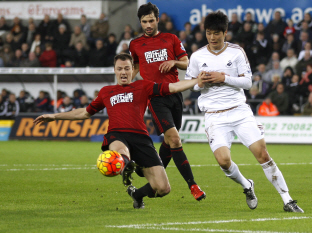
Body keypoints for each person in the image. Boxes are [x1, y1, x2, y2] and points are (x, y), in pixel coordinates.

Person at [34, 53, 199, 209]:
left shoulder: (143, 86)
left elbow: (173, 87)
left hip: (141, 138)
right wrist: (55, 116)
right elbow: (84, 112)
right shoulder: (106, 91)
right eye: (120, 69)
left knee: (163, 188)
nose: (123, 72)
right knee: (120, 151)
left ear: (132, 70)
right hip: (117, 134)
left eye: (127, 68)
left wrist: (197, 80)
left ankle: (137, 194)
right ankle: (125, 164)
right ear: (114, 70)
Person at [185, 11, 304, 212]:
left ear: (225, 32)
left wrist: (223, 77)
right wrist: (200, 81)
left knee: (262, 154)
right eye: (208, 33)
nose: (212, 37)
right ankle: (247, 185)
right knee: (224, 162)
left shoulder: (236, 52)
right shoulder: (197, 56)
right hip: (214, 116)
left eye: (216, 33)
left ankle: (287, 200)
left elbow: (248, 82)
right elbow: (191, 84)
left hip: (239, 111)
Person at [129, 2, 205, 201]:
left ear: (157, 19)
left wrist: (174, 62)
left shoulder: (170, 39)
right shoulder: (135, 44)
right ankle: (193, 185)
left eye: (151, 20)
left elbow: (186, 61)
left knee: (169, 142)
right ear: (140, 22)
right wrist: (125, 83)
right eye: (144, 21)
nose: (148, 25)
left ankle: (142, 186)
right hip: (155, 97)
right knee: (175, 139)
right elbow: (134, 66)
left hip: (174, 94)